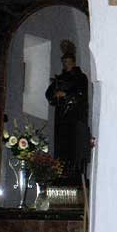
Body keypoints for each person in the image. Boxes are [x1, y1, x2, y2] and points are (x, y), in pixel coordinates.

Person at [45, 40, 90, 181]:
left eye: (68, 62)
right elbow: (49, 94)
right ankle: (61, 172)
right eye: (64, 62)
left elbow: (81, 95)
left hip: (75, 118)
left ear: (73, 62)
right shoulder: (59, 79)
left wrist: (66, 95)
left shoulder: (80, 78)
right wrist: (56, 95)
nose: (66, 64)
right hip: (61, 118)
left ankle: (74, 175)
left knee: (74, 146)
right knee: (61, 145)